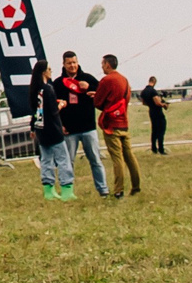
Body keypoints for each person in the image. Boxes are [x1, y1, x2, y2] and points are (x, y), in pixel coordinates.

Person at [51, 51, 110, 196]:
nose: (72, 66)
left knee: (95, 160)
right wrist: (60, 125)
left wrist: (90, 88)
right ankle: (67, 190)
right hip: (69, 130)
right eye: (69, 63)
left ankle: (103, 190)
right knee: (67, 162)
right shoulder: (58, 83)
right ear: (64, 64)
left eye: (74, 62)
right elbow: (52, 106)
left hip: (88, 128)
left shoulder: (88, 78)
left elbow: (102, 94)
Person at [27, 61, 76, 200]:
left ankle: (48, 190)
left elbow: (35, 111)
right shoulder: (48, 89)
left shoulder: (35, 90)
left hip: (41, 131)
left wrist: (33, 127)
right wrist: (60, 104)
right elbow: (53, 112)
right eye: (49, 69)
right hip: (53, 130)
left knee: (46, 160)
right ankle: (67, 189)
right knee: (63, 159)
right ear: (44, 72)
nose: (51, 71)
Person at [96, 55, 141, 197]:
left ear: (108, 64)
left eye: (103, 63)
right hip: (123, 123)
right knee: (129, 156)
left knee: (117, 159)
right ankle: (136, 186)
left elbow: (97, 102)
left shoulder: (106, 80)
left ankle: (118, 190)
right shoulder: (124, 80)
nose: (102, 66)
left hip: (111, 125)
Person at [139, 76, 171, 154]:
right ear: (154, 82)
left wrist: (150, 104)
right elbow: (157, 103)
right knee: (161, 130)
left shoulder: (143, 92)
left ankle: (153, 148)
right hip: (157, 112)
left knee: (154, 130)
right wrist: (164, 104)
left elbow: (143, 103)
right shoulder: (153, 91)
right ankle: (161, 148)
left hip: (151, 111)